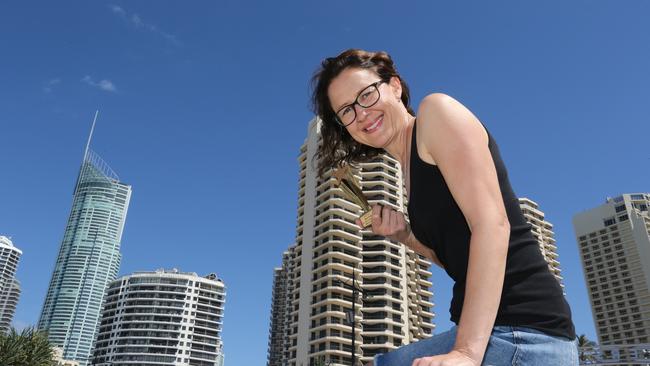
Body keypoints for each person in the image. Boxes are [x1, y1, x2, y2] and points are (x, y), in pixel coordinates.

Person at [311, 49, 577, 366]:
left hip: (524, 332)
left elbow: (493, 225)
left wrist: (466, 353)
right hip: (495, 333)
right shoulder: (408, 170)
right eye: (346, 111)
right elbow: (456, 258)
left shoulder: (436, 112)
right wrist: (405, 235)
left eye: (366, 94)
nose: (361, 113)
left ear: (394, 86)